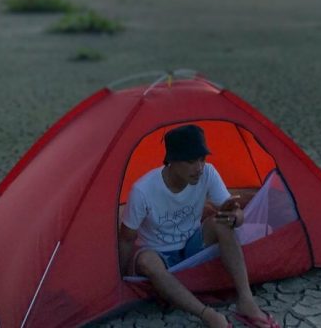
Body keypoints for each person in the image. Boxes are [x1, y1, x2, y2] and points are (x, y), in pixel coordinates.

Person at [118, 124, 280, 328]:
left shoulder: (208, 173)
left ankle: (246, 301)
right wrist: (120, 283)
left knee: (220, 223)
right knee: (146, 261)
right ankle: (208, 315)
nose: (199, 167)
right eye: (191, 161)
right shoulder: (143, 190)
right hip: (159, 253)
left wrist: (235, 217)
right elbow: (126, 238)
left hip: (192, 244)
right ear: (172, 161)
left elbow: (235, 213)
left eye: (202, 159)